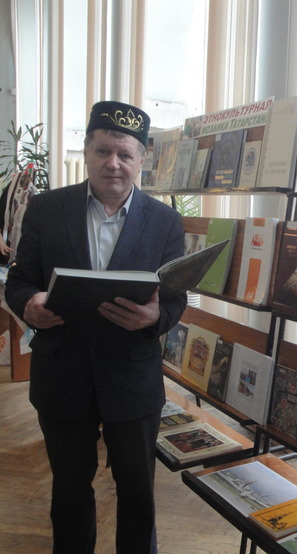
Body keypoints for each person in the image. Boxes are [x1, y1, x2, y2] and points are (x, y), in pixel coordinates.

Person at [4, 100, 187, 553]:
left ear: (141, 160)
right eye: (103, 151)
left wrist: (156, 317)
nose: (113, 163)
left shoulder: (166, 221)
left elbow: (175, 296)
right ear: (86, 151)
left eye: (125, 154)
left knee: (138, 495)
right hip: (62, 374)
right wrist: (29, 303)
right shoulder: (46, 209)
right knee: (68, 491)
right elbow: (19, 280)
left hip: (132, 376)